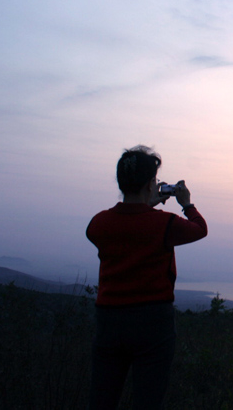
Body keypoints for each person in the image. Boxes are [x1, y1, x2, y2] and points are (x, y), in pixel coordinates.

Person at [86, 145, 208, 409]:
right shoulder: (164, 224)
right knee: (147, 401)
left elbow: (123, 225)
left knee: (101, 399)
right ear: (149, 184)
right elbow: (200, 229)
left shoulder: (99, 223)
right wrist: (187, 204)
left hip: (109, 321)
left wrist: (143, 205)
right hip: (153, 324)